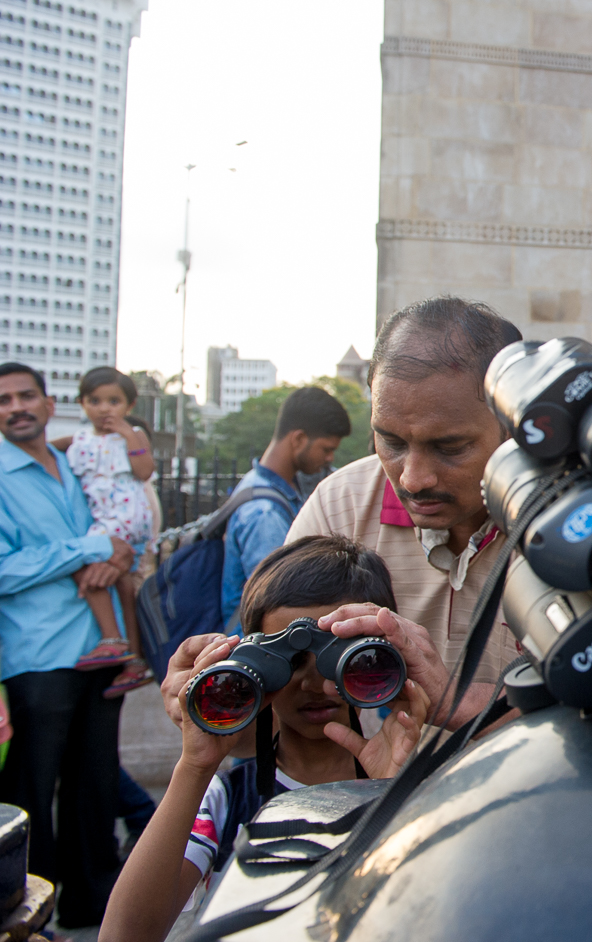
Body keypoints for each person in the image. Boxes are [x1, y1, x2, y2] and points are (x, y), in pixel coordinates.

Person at [98, 535, 429, 942]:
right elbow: (124, 936)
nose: (312, 682)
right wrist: (196, 765)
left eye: (341, 659)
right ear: (253, 661)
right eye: (289, 663)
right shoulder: (225, 800)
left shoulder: (417, 786)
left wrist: (393, 793)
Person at [286, 297, 522, 724]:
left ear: (513, 424)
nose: (413, 480)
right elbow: (284, 705)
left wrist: (463, 704)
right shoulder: (339, 506)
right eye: (391, 442)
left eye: (449, 447)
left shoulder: (575, 518)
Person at [0, 362, 135, 928]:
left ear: (50, 403)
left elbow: (116, 520)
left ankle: (93, 905)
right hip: (38, 656)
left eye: (26, 395)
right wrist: (88, 548)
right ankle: (31, 910)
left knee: (96, 783)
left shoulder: (73, 460)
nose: (16, 407)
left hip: (99, 648)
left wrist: (114, 552)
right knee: (33, 790)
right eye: (3, 400)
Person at [52, 367, 157, 696]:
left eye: (114, 401)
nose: (104, 408)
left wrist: (128, 435)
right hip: (106, 519)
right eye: (94, 401)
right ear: (82, 403)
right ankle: (135, 660)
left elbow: (144, 471)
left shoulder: (133, 435)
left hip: (121, 518)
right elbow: (47, 449)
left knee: (83, 563)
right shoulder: (80, 439)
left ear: (128, 404)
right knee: (123, 584)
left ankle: (111, 640)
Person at [221, 385, 350, 633]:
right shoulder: (264, 513)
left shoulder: (260, 484)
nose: (329, 458)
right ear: (299, 439)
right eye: (326, 449)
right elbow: (280, 598)